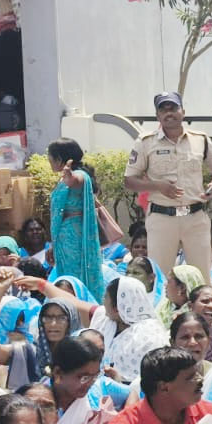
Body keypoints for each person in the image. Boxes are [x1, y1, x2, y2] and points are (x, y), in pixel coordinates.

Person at [123, 91, 212, 285]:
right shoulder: (145, 142)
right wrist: (157, 186)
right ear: (158, 116)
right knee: (160, 279)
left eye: (173, 108)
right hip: (162, 218)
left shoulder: (200, 139)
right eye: (163, 109)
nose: (169, 113)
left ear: (183, 112)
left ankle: (202, 315)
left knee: (202, 279)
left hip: (195, 217)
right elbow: (129, 180)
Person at [46, 138, 105, 301]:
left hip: (74, 239)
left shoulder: (79, 175)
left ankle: (81, 308)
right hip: (64, 239)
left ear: (59, 159)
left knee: (75, 279)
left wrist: (69, 177)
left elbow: (76, 181)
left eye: (50, 158)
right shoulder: (67, 177)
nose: (49, 162)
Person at [89, 277, 168, 383]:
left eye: (106, 297)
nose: (103, 301)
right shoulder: (106, 321)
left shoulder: (150, 337)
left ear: (117, 307)